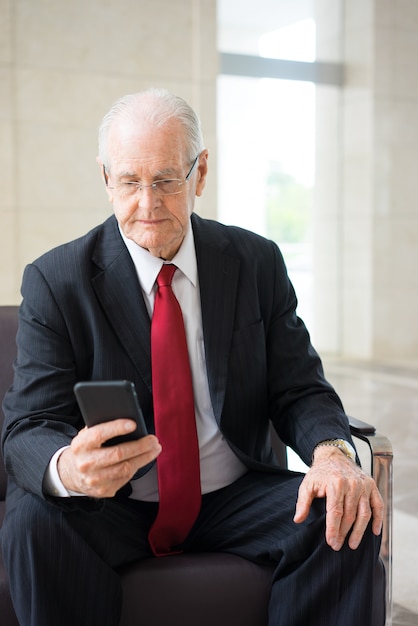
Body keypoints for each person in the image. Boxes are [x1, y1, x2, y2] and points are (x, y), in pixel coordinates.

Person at [0, 88, 383, 626]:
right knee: (35, 517)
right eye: (130, 182)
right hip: (113, 504)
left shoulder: (256, 262)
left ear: (200, 174)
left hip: (233, 495)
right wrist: (68, 468)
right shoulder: (56, 280)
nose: (147, 203)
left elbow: (300, 388)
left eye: (165, 180)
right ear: (106, 179)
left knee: (344, 512)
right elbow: (28, 425)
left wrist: (333, 452)